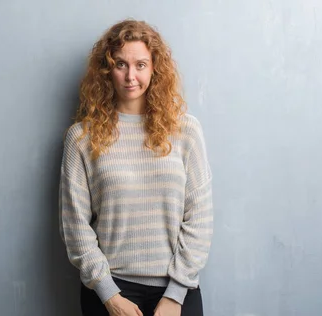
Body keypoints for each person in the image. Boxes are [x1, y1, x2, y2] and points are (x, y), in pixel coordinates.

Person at [58, 19, 214, 316]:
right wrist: (108, 294)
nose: (131, 76)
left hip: (177, 289)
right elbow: (75, 225)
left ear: (155, 68)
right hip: (110, 291)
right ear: (107, 70)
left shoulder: (186, 132)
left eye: (141, 65)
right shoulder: (81, 138)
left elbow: (200, 219)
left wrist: (176, 293)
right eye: (120, 64)